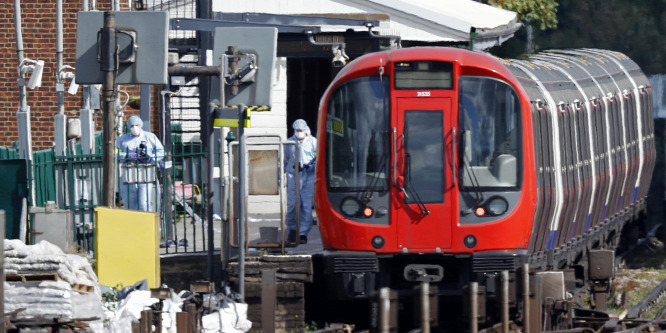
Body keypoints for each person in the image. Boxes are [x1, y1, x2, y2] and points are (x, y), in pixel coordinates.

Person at [116, 115, 165, 212]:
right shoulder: (122, 139)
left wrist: (151, 158)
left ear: (141, 125)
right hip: (128, 173)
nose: (134, 127)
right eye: (132, 126)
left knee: (144, 203)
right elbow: (114, 153)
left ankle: (147, 225)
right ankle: (132, 226)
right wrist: (127, 155)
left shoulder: (150, 137)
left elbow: (161, 152)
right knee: (130, 204)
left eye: (137, 125)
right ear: (128, 127)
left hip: (146, 172)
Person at [284, 119, 317, 245]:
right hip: (293, 176)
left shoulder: (313, 142)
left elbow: (318, 157)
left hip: (308, 176)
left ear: (306, 130)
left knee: (306, 206)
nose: (299, 133)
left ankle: (303, 233)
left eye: (301, 131)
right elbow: (285, 160)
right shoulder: (289, 143)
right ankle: (292, 229)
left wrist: (311, 166)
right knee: (292, 204)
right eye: (297, 131)